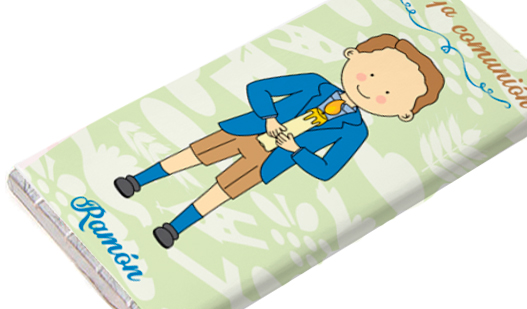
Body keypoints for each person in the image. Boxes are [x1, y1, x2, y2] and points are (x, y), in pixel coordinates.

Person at [114, 34, 445, 249]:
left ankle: (174, 228)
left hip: (272, 160)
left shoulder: (355, 131)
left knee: (222, 190)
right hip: (249, 130)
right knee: (193, 155)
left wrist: (296, 150)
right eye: (370, 74)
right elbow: (260, 89)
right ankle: (137, 181)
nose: (371, 89)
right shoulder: (314, 82)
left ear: (404, 113)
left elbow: (327, 169)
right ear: (352, 54)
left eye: (387, 93)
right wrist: (270, 118)